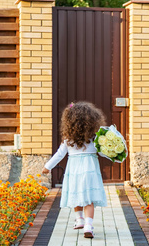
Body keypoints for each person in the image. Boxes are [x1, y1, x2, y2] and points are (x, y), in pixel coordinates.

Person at [42, 101, 107, 238]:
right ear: (93, 120)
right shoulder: (95, 137)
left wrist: (48, 167)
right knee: (88, 198)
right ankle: (88, 226)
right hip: (90, 170)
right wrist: (115, 155)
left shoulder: (68, 138)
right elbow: (102, 152)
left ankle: (79, 219)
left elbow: (60, 154)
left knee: (76, 193)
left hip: (74, 171)